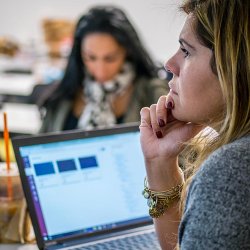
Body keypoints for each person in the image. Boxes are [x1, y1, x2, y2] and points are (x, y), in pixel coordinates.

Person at [140, 0, 250, 249]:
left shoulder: (231, 172)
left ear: (233, 67)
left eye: (186, 51)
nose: (169, 63)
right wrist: (159, 163)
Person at [39, 5, 168, 132]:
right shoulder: (63, 93)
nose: (100, 71)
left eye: (110, 58)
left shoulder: (154, 93)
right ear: (79, 54)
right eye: (90, 58)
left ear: (127, 52)